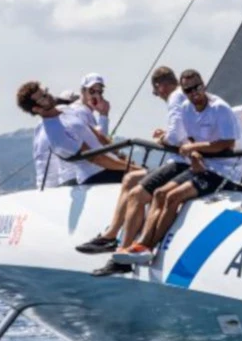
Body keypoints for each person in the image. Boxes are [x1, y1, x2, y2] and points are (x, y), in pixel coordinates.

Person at [111, 69, 238, 266]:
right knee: (160, 193)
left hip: (221, 171)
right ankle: (141, 245)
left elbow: (227, 143)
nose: (194, 93)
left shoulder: (219, 108)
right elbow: (189, 138)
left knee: (173, 197)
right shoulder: (186, 108)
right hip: (199, 166)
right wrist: (194, 153)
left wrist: (194, 148)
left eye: (197, 87)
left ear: (203, 85)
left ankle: (148, 246)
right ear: (183, 91)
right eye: (188, 90)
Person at [76, 66, 189, 261]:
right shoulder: (79, 112)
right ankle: (113, 237)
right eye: (92, 91)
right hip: (96, 170)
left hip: (183, 163)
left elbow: (174, 136)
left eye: (99, 91)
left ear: (160, 86)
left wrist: (162, 138)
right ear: (83, 91)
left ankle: (123, 246)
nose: (97, 95)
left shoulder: (175, 97)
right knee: (131, 178)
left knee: (136, 190)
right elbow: (101, 146)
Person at [17, 82, 132, 186]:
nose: (48, 95)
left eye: (45, 92)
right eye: (43, 97)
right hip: (92, 176)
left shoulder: (64, 109)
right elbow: (95, 158)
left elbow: (97, 135)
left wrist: (121, 156)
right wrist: (130, 167)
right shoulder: (53, 133)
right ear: (36, 109)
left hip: (107, 168)